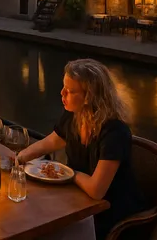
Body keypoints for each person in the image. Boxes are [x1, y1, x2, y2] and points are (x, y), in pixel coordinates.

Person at [16, 59, 145, 240]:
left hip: (107, 214)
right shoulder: (74, 115)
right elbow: (52, 141)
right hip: (77, 201)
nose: (62, 93)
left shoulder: (114, 132)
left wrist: (67, 173)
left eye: (70, 91)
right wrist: (21, 157)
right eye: (63, 87)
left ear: (89, 97)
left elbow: (96, 190)